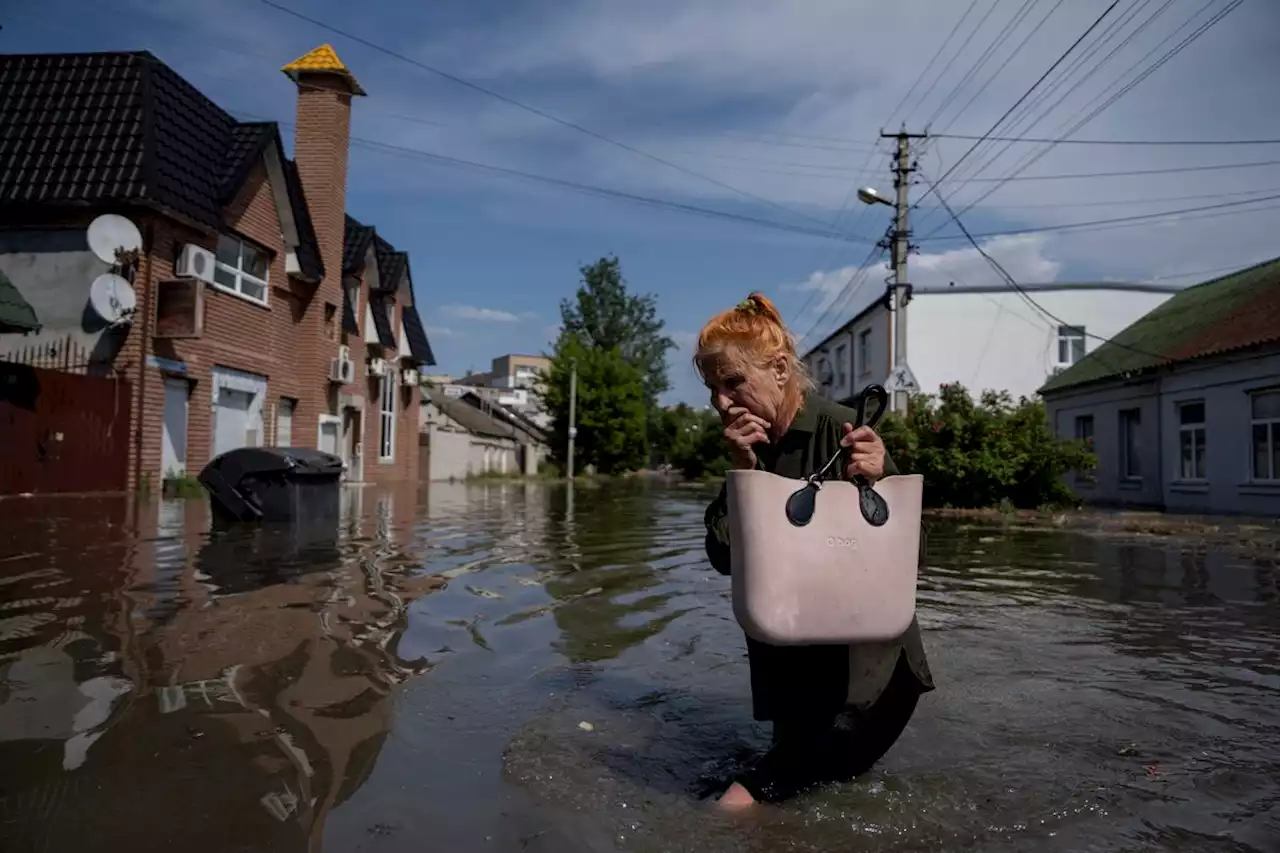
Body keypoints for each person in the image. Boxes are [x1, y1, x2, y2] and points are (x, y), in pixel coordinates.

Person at [695, 292, 935, 809]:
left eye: (733, 382)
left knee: (737, 806)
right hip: (794, 674)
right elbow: (723, 559)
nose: (720, 402)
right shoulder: (751, 446)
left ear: (780, 369)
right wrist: (741, 472)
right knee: (796, 802)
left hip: (865, 679)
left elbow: (911, 559)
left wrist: (880, 474)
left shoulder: (842, 429)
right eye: (712, 388)